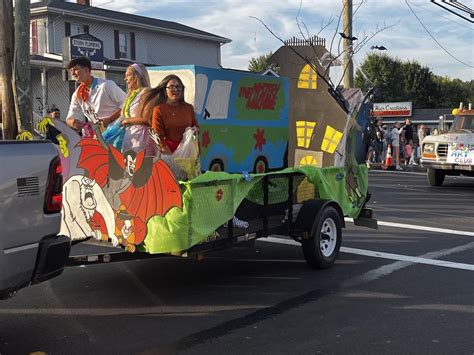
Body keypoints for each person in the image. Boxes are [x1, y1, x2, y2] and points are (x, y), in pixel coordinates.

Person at [66, 57, 126, 134]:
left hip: (117, 132)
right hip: (96, 134)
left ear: (86, 70)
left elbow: (127, 105)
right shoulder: (77, 94)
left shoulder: (106, 85)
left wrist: (110, 119)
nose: (72, 73)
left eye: (75, 69)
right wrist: (73, 122)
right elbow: (70, 117)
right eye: (71, 71)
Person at [141, 74, 199, 154]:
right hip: (168, 152)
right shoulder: (159, 109)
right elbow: (157, 135)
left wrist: (194, 131)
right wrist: (169, 155)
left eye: (178, 87)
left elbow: (196, 127)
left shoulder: (189, 108)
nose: (175, 89)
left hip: (187, 153)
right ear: (165, 90)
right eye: (171, 87)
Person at [119, 63, 155, 155]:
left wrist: (126, 121)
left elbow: (147, 119)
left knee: (140, 166)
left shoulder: (146, 92)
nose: (125, 79)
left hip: (142, 137)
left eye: (128, 75)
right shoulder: (131, 94)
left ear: (138, 76)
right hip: (130, 136)